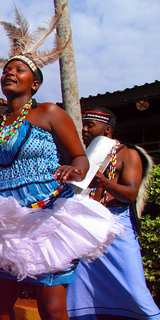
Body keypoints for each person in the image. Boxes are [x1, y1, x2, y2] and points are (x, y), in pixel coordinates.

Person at [0, 8, 122, 320]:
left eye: (19, 70)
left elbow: (79, 157)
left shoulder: (49, 112)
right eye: (5, 70)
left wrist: (75, 169)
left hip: (47, 216)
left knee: (52, 309)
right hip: (7, 222)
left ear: (35, 83)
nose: (10, 73)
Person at [67, 108, 160, 319]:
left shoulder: (128, 154)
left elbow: (130, 194)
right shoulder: (86, 156)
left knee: (133, 286)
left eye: (90, 125)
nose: (84, 129)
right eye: (84, 125)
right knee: (82, 285)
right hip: (87, 225)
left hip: (118, 225)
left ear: (107, 129)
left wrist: (105, 182)